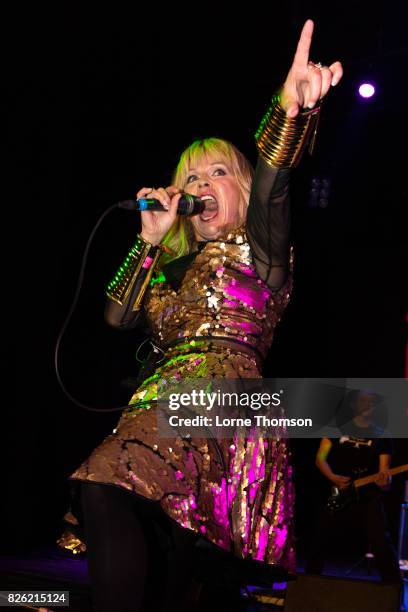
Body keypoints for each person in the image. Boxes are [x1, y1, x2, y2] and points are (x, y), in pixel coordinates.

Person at [60, 20, 343, 612]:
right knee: (170, 565)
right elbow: (116, 318)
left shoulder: (262, 250)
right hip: (163, 404)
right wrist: (151, 243)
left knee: (106, 486)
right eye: (191, 175)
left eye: (217, 172)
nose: (201, 182)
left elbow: (272, 190)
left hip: (222, 401)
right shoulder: (171, 272)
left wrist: (286, 115)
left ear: (238, 188)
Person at [305, 389, 402, 584]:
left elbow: (384, 472)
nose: (368, 405)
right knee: (320, 537)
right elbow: (320, 459)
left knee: (381, 541)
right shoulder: (336, 428)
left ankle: (394, 589)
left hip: (367, 496)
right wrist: (333, 477)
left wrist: (384, 481)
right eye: (363, 401)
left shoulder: (382, 435)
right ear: (353, 405)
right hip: (337, 491)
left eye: (372, 402)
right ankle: (308, 584)